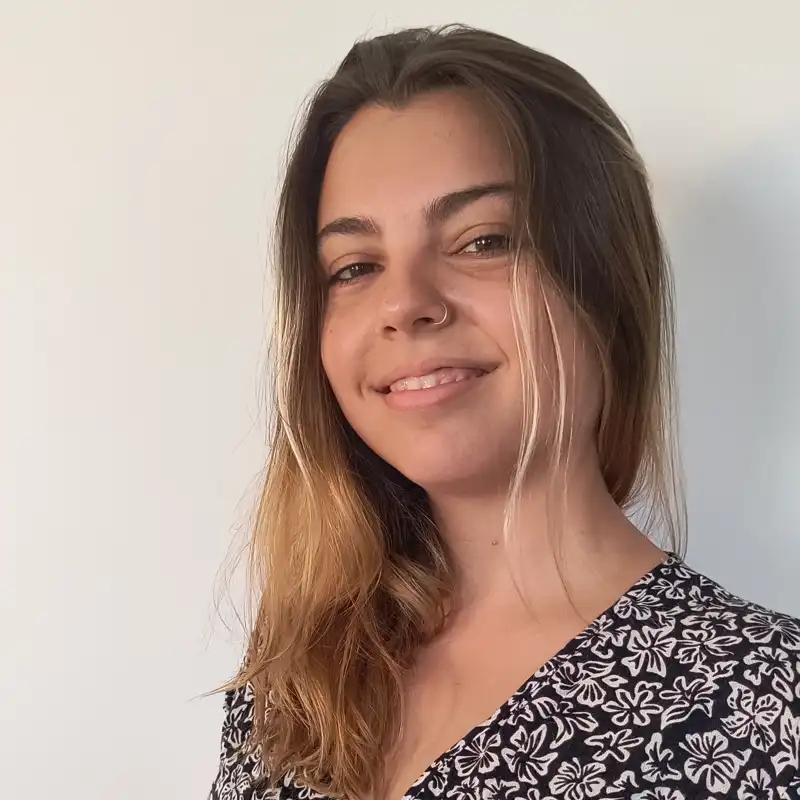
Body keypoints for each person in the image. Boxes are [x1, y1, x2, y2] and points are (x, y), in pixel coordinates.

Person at [209, 24, 800, 800]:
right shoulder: (299, 680)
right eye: (354, 267)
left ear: (604, 287)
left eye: (482, 240)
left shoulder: (770, 707)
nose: (404, 304)